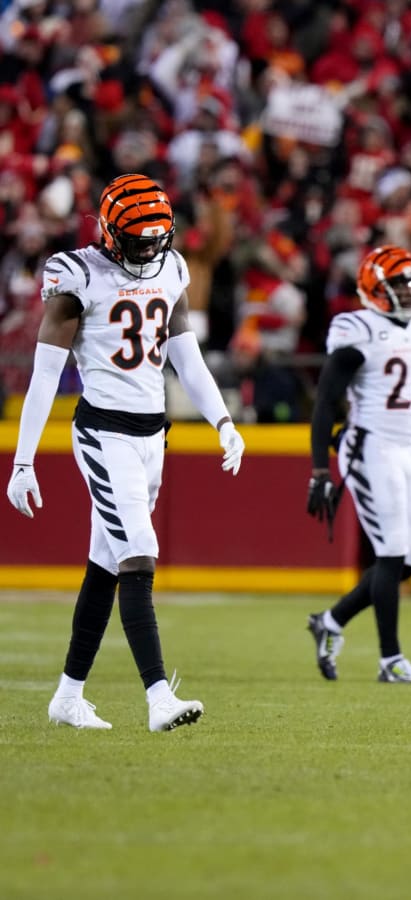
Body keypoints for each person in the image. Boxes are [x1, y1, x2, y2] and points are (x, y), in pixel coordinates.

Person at [6, 173, 245, 731]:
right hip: (104, 434)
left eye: (155, 238)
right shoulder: (79, 275)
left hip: (152, 436)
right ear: (111, 232)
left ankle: (67, 696)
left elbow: (186, 357)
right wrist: (23, 460)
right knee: (139, 551)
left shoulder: (170, 267)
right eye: (137, 239)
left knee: (105, 565)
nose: (148, 250)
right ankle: (159, 696)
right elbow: (44, 377)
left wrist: (223, 420)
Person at [304, 245, 411, 684]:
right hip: (369, 447)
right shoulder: (356, 329)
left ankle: (331, 621)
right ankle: (390, 660)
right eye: (399, 284)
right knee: (391, 553)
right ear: (374, 289)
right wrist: (320, 469)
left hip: (406, 447)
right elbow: (326, 401)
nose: (410, 291)